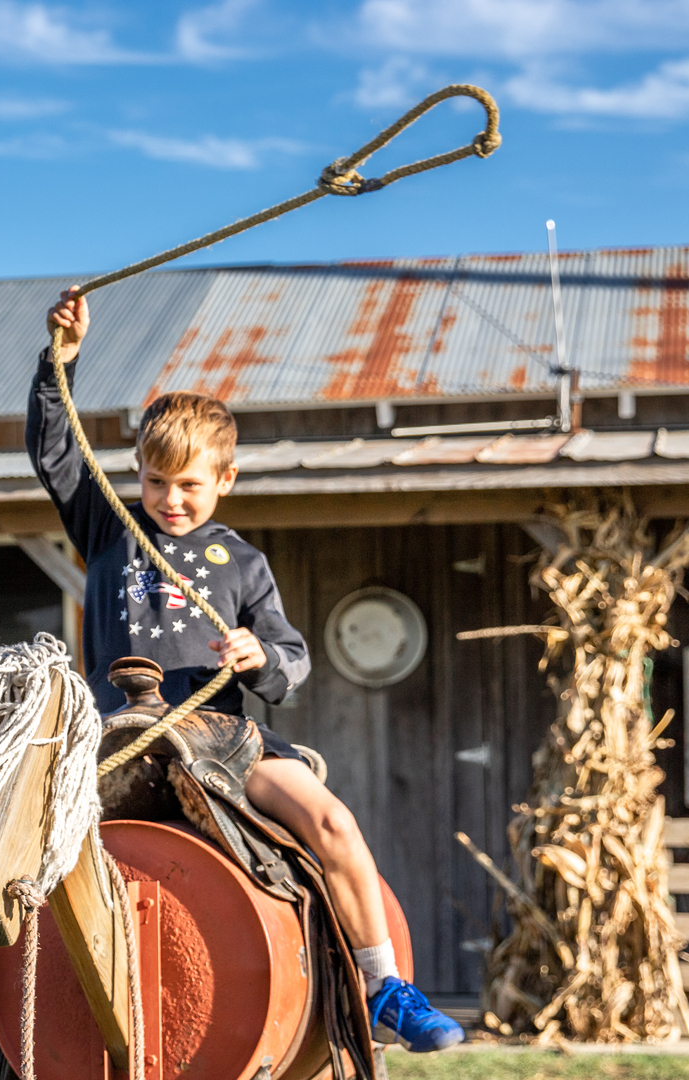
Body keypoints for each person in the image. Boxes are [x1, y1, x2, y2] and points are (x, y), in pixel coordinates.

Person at [26, 287, 463, 1053]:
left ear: (225, 481)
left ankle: (382, 983)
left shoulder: (244, 562)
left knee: (331, 820)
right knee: (7, 825)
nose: (169, 499)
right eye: (156, 482)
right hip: (116, 731)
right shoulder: (108, 528)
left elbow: (291, 664)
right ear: (139, 477)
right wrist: (60, 359)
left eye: (190, 484)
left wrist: (261, 656)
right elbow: (56, 448)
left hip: (222, 730)